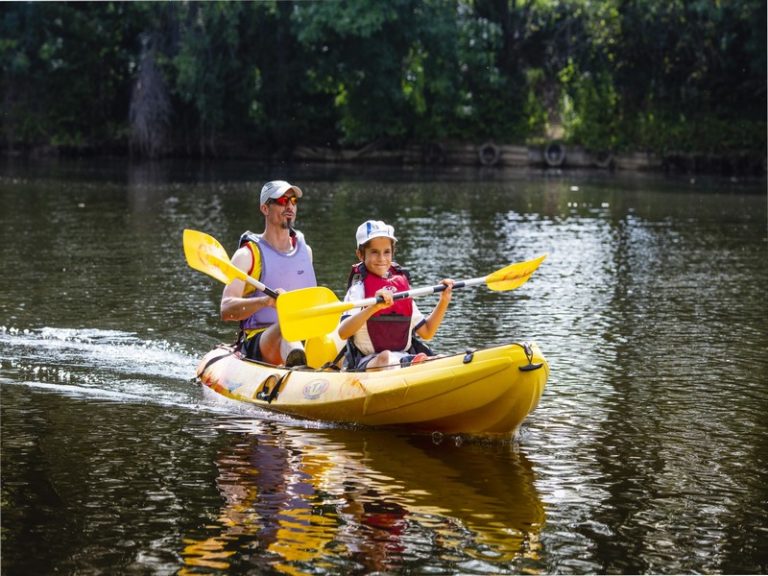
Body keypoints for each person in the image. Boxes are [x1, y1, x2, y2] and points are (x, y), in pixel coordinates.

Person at [220, 180, 316, 367]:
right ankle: (301, 374)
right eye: (282, 200)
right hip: (261, 341)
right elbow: (226, 310)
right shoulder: (247, 256)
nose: (289, 206)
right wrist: (265, 301)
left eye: (293, 201)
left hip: (304, 334)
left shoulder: (306, 251)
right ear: (265, 208)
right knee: (286, 327)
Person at [337, 220, 454, 370]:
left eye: (386, 252)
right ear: (360, 254)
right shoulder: (358, 291)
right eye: (374, 252)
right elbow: (343, 332)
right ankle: (414, 365)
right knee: (385, 357)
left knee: (441, 358)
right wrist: (373, 308)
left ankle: (417, 364)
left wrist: (444, 300)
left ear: (393, 253)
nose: (381, 258)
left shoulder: (400, 288)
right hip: (368, 362)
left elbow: (427, 332)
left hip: (403, 358)